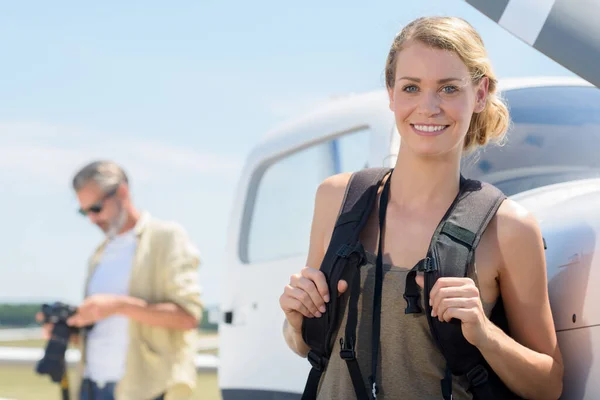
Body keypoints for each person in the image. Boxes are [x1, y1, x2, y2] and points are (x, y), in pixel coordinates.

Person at [279, 16, 564, 400]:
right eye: (411, 87)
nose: (428, 107)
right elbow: (306, 347)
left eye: (448, 88)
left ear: (480, 94)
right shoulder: (336, 201)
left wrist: (485, 333)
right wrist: (295, 321)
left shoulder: (509, 228)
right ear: (391, 94)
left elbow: (548, 385)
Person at [40, 160, 203, 400]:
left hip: (144, 389)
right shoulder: (100, 253)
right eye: (84, 211)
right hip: (90, 386)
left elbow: (188, 316)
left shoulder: (166, 237)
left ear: (123, 193)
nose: (91, 219)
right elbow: (107, 330)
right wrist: (67, 330)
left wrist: (116, 306)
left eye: (95, 208)